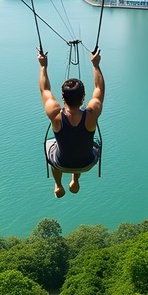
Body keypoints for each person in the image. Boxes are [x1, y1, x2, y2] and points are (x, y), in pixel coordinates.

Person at [39, 47, 104, 198]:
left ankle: (58, 185)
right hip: (87, 164)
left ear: (63, 97)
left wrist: (43, 66)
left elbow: (45, 90)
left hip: (61, 163)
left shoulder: (55, 114)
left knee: (52, 147)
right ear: (84, 96)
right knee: (83, 147)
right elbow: (99, 88)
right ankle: (75, 180)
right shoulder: (92, 114)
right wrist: (96, 65)